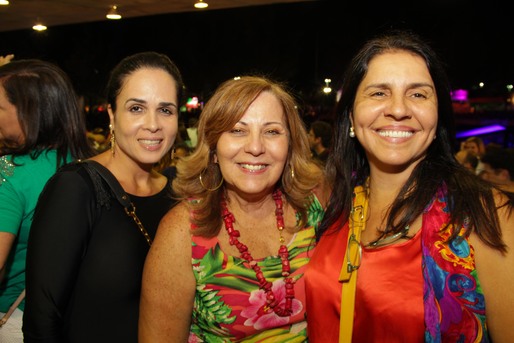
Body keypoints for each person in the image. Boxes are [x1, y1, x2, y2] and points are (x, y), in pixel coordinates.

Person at [304, 30, 514, 342]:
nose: (399, 109)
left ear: (438, 113)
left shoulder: (485, 214)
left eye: (418, 94)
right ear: (350, 115)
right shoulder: (334, 205)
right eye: (378, 93)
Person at [139, 75, 326, 342]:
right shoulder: (181, 231)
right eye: (237, 130)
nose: (255, 147)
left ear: (290, 146)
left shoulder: (314, 210)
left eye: (272, 131)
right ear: (213, 148)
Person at [23, 51, 184, 342]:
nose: (153, 124)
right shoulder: (76, 188)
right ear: (112, 114)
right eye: (136, 108)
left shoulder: (178, 193)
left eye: (166, 110)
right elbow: (41, 319)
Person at [0, 59, 94, 342]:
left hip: (13, 321)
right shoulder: (91, 167)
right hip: (74, 320)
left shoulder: (10, 172)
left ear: (28, 112)